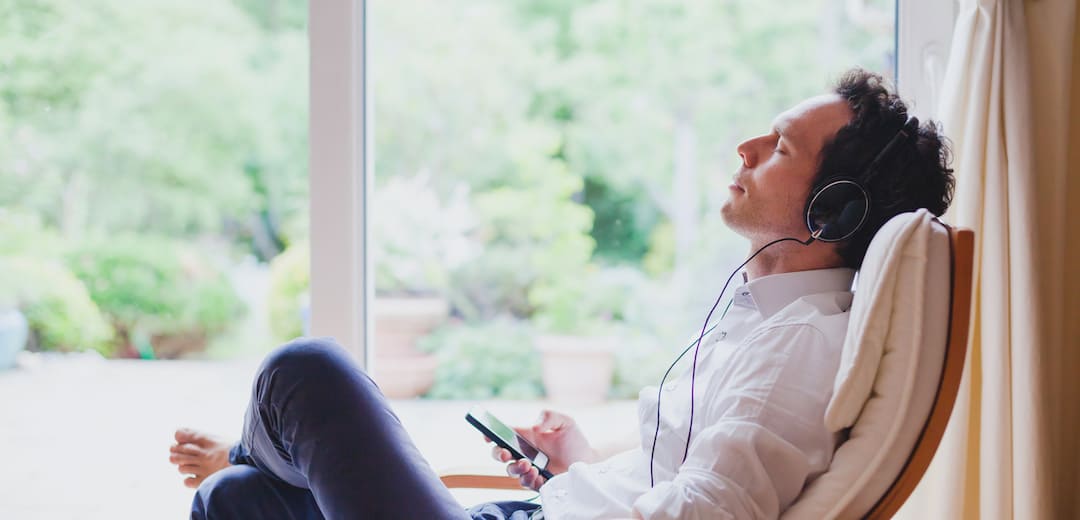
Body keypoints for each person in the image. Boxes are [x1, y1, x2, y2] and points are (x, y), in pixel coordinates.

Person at [168, 68, 954, 519]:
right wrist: (579, 466)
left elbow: (712, 512)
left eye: (780, 146)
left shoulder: (797, 346)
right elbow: (693, 473)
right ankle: (255, 464)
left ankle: (254, 450)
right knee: (236, 502)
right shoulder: (761, 323)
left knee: (303, 373)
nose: (746, 147)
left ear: (834, 210)